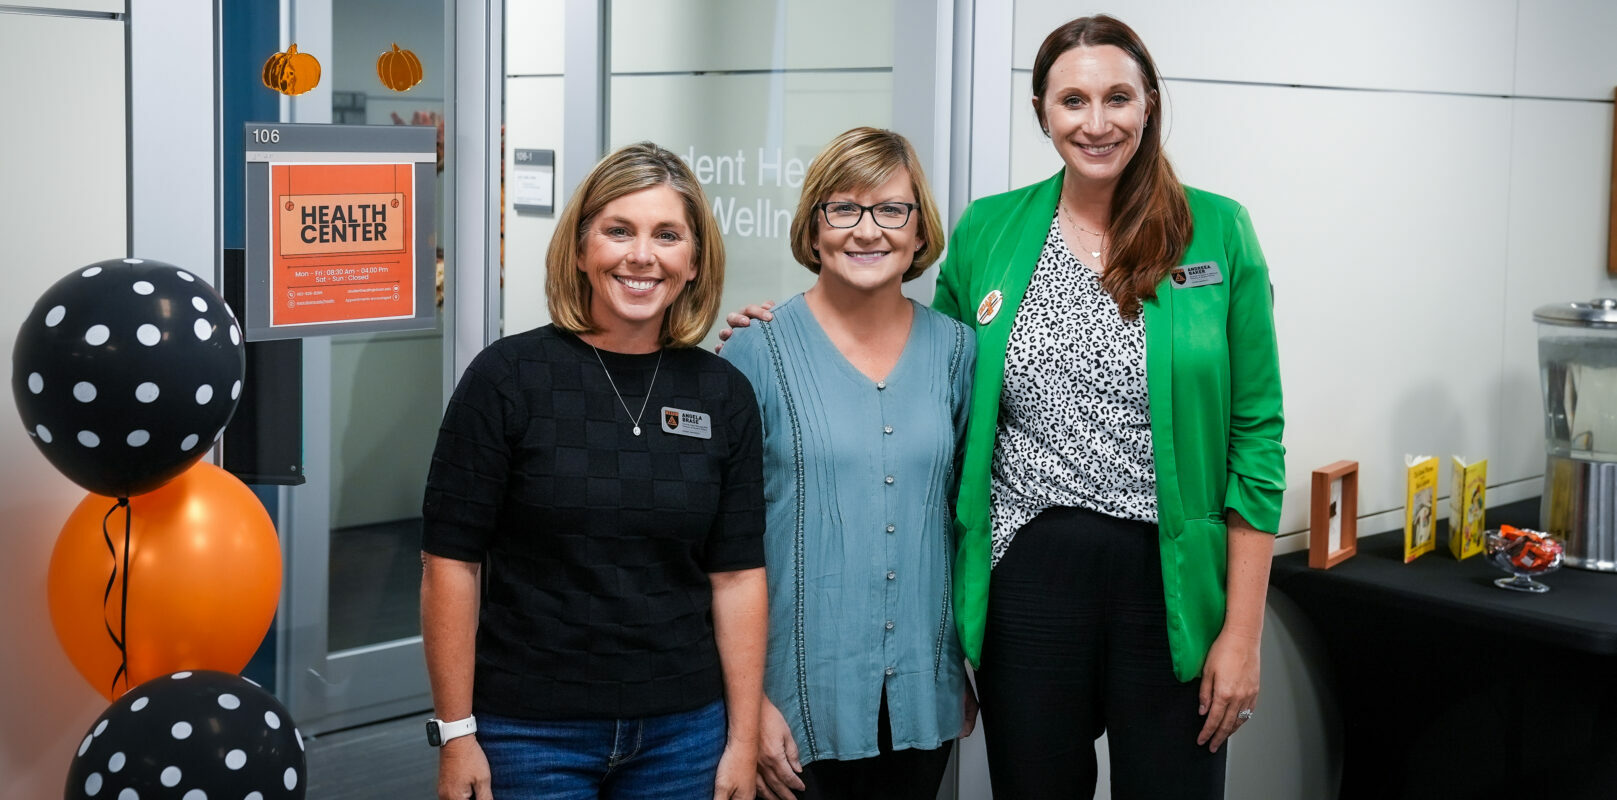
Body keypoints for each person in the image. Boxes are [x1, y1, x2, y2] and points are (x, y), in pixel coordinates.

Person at [723, 15, 1284, 798]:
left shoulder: (1217, 230)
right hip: (1027, 577)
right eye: (1072, 101)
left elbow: (1255, 437)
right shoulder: (991, 229)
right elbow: (929, 370)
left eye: (1117, 98)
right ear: (1041, 111)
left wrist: (1243, 633)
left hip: (1173, 579)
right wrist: (787, 330)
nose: (1096, 123)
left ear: (1149, 104)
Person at [421, 142, 767, 800]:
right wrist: (457, 732)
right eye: (618, 231)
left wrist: (741, 740)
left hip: (684, 734)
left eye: (667, 235)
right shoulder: (506, 378)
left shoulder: (722, 393)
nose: (642, 255)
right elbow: (450, 565)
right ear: (581, 250)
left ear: (694, 261)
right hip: (527, 733)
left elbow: (737, 576)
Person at [719, 127, 977, 800]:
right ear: (813, 228)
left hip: (923, 698)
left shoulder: (956, 352)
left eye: (892, 209)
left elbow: (966, 516)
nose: (868, 230)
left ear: (920, 232)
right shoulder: (756, 351)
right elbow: (719, 547)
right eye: (843, 208)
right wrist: (748, 708)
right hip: (792, 699)